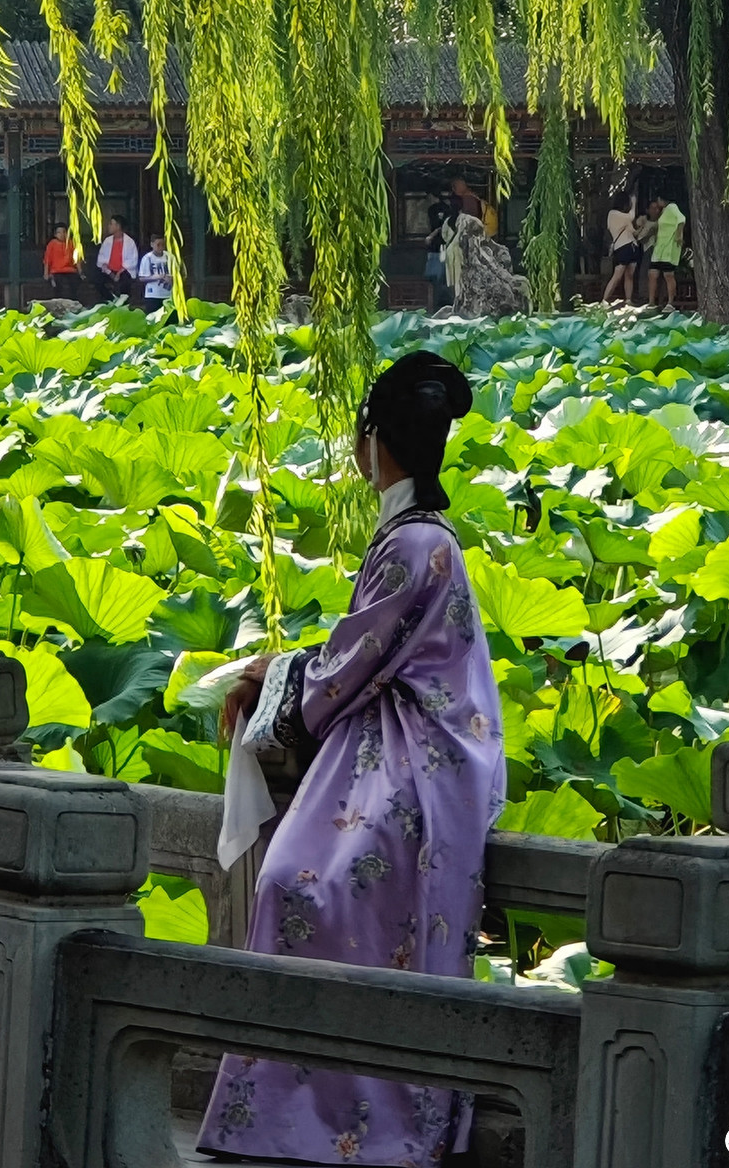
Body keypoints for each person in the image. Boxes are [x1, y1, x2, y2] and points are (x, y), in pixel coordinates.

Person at [197, 351, 506, 1167]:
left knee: (302, 881)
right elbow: (356, 655)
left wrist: (270, 675)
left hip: (421, 757)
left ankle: (368, 1118)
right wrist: (283, 671)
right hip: (395, 740)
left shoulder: (417, 547)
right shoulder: (412, 536)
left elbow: (348, 668)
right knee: (299, 883)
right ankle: (308, 1113)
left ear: (378, 440)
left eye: (362, 433)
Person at [601, 188, 641, 304]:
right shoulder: (613, 214)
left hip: (632, 247)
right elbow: (631, 216)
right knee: (617, 275)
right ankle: (604, 300)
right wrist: (634, 203)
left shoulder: (622, 217)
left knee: (629, 275)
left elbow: (633, 232)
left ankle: (628, 300)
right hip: (623, 247)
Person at [648, 195, 687, 309]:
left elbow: (681, 219)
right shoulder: (664, 211)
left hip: (669, 248)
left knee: (668, 275)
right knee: (652, 273)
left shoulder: (672, 207)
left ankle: (670, 303)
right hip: (659, 247)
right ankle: (651, 302)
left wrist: (679, 234)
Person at [423, 191, 456, 310]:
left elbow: (440, 227)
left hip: (440, 247)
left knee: (439, 275)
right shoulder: (446, 209)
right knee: (440, 276)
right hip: (441, 247)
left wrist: (431, 236)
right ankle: (441, 302)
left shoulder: (435, 209)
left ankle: (441, 302)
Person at [96, 215, 139, 300]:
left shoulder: (129, 242)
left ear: (118, 226)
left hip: (123, 270)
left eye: (111, 224)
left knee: (125, 281)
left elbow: (132, 260)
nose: (109, 226)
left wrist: (118, 273)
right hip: (109, 270)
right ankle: (111, 300)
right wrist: (110, 273)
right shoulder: (107, 241)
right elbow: (102, 258)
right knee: (97, 280)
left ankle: (123, 301)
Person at [43, 224, 82, 298]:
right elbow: (47, 260)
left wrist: (80, 272)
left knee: (74, 283)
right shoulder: (52, 244)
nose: (62, 234)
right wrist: (46, 273)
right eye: (59, 232)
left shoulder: (71, 243)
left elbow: (77, 259)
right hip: (56, 271)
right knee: (58, 285)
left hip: (70, 270)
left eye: (64, 232)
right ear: (55, 234)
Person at [137, 232, 173, 306]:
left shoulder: (170, 257)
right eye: (158, 245)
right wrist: (156, 277)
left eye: (162, 245)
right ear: (152, 244)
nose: (160, 247)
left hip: (168, 294)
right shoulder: (147, 258)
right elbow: (141, 278)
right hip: (152, 295)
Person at [633, 198, 659, 301]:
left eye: (657, 208)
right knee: (645, 272)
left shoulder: (660, 222)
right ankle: (644, 295)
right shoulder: (644, 221)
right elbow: (639, 238)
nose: (656, 211)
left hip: (658, 249)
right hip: (647, 249)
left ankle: (656, 297)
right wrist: (649, 233)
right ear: (647, 210)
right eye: (653, 208)